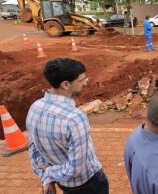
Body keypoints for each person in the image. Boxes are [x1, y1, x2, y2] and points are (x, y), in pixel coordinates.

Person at [26, 58, 108, 194]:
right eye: (81, 81)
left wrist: (46, 176)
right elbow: (76, 168)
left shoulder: (35, 107)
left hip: (63, 183)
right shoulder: (75, 118)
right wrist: (49, 174)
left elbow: (34, 150)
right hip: (89, 183)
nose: (85, 84)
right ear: (65, 84)